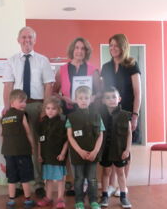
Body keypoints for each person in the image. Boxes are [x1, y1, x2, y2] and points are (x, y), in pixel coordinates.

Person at [2, 26, 55, 198]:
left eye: (30, 37)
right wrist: (8, 107)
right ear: (18, 40)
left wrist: (45, 109)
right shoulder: (12, 61)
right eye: (24, 37)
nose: (27, 40)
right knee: (16, 144)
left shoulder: (43, 60)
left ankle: (38, 183)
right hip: (16, 107)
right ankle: (17, 183)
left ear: (35, 40)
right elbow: (8, 85)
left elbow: (48, 85)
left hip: (35, 106)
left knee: (36, 144)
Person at [53, 37, 101, 195]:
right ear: (72, 50)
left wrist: (92, 98)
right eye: (77, 48)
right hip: (69, 112)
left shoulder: (92, 69)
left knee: (86, 144)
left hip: (87, 113)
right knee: (70, 147)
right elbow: (55, 91)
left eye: (83, 48)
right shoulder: (63, 70)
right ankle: (73, 182)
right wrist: (64, 98)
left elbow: (99, 91)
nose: (79, 51)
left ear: (86, 51)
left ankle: (87, 182)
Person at [101, 33, 141, 196]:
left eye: (116, 45)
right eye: (110, 45)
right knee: (111, 146)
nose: (113, 48)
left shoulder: (131, 64)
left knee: (125, 148)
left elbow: (138, 93)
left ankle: (122, 185)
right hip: (109, 113)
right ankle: (110, 185)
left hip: (127, 113)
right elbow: (103, 91)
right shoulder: (106, 67)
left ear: (123, 46)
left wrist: (135, 115)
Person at [66, 86, 104, 209]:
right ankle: (79, 201)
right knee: (79, 179)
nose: (83, 101)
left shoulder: (97, 116)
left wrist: (95, 151)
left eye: (86, 98)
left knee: (92, 178)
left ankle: (93, 201)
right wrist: (80, 151)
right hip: (78, 155)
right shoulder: (71, 117)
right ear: (75, 100)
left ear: (91, 99)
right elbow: (70, 137)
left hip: (93, 154)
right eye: (80, 98)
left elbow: (100, 135)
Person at [1, 89, 35, 208]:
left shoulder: (4, 116)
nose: (24, 104)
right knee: (24, 176)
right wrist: (32, 146)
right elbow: (28, 132)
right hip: (21, 151)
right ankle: (27, 200)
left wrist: (4, 149)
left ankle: (11, 200)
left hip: (8, 152)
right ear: (12, 102)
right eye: (21, 101)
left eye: (25, 102)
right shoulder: (21, 115)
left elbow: (2, 135)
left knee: (11, 177)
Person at [99, 87, 132, 208]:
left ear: (119, 99)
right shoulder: (101, 115)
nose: (111, 100)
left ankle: (123, 196)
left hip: (120, 150)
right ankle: (104, 196)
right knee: (106, 172)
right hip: (105, 149)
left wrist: (127, 149)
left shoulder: (125, 115)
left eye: (114, 97)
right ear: (103, 100)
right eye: (108, 98)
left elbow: (129, 133)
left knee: (120, 172)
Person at [37, 97, 68, 209]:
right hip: (46, 156)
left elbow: (67, 141)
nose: (50, 111)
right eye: (48, 108)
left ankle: (60, 198)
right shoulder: (42, 123)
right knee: (48, 179)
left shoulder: (63, 122)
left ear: (59, 110)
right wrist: (39, 154)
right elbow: (40, 141)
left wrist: (63, 154)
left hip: (59, 156)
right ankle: (48, 197)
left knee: (60, 179)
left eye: (53, 109)